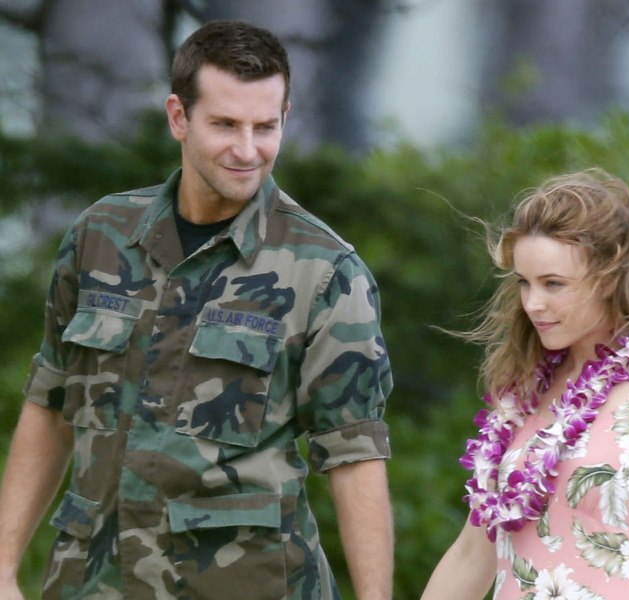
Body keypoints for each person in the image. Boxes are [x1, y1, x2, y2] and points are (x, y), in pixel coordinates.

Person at [0, 20, 394, 600]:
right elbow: (51, 401)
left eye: (266, 127)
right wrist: (3, 566)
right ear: (178, 118)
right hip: (94, 582)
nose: (247, 150)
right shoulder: (100, 236)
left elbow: (354, 455)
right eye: (226, 124)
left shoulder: (326, 271)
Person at [422, 169, 629, 600]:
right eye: (524, 283)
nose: (533, 303)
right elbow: (472, 556)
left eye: (553, 284)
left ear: (609, 277)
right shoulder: (521, 393)